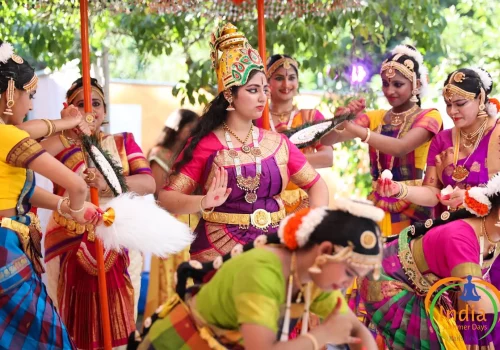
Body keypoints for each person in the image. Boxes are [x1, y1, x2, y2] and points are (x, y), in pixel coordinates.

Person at [158, 23, 329, 262]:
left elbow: (316, 185)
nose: (262, 97)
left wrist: (312, 226)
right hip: (220, 249)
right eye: (252, 90)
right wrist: (203, 202)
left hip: (274, 245)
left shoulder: (278, 143)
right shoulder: (206, 145)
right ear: (230, 95)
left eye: (265, 90)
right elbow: (166, 198)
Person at [129, 199, 384, 350]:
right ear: (326, 250)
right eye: (349, 272)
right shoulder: (262, 272)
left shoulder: (313, 275)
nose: (347, 284)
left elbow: (352, 326)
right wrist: (322, 337)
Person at [0, 41, 101, 349]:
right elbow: (78, 185)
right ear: (9, 94)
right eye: (29, 96)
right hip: (6, 251)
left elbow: (22, 187)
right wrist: (75, 206)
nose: (30, 105)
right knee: (47, 339)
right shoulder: (7, 135)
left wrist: (63, 205)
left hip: (11, 243)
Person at [42, 77, 155, 349]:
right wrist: (68, 131)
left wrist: (106, 184)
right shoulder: (57, 145)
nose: (89, 110)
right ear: (69, 108)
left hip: (120, 238)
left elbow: (149, 183)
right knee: (66, 316)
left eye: (96, 104)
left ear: (105, 110)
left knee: (121, 317)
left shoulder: (122, 142)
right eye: (81, 105)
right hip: (71, 237)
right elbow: (30, 157)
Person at [360, 173, 500, 349]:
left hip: (429, 289)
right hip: (389, 281)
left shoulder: (493, 235)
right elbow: (475, 299)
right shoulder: (461, 238)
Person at [321, 44, 443, 237]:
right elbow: (328, 141)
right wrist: (339, 121)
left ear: (416, 85)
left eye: (398, 84)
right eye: (385, 83)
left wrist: (356, 129)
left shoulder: (430, 116)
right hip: (379, 205)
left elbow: (400, 148)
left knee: (407, 263)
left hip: (414, 206)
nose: (389, 90)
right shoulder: (375, 117)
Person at [254, 54, 332, 214]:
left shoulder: (310, 117)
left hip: (305, 201)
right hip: (265, 202)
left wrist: (282, 161)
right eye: (279, 78)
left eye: (291, 78)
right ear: (267, 82)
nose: (286, 84)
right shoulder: (256, 120)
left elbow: (327, 158)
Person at [144, 108, 199, 317]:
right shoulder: (160, 154)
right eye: (191, 128)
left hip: (190, 221)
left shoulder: (189, 154)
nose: (195, 133)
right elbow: (157, 192)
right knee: (168, 279)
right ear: (178, 129)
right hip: (168, 222)